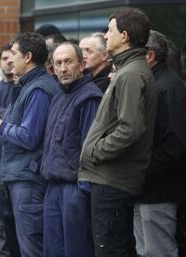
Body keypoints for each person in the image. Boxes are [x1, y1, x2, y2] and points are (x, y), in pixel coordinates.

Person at [79, 8, 157, 257]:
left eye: (109, 30)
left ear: (124, 36)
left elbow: (130, 128)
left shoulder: (131, 74)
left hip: (113, 181)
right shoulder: (128, 71)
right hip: (112, 180)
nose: (105, 35)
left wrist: (95, 152)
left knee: (110, 250)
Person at [0, 32, 59, 257]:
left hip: (29, 180)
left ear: (28, 56)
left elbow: (29, 136)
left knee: (31, 248)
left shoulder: (39, 89)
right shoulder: (27, 86)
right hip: (21, 178)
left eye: (14, 54)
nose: (10, 59)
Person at [41, 42, 102, 257]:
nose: (63, 68)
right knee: (53, 251)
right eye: (58, 63)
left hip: (75, 189)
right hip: (54, 187)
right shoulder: (58, 97)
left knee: (76, 250)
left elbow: (90, 148)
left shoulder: (89, 98)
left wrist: (84, 192)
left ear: (81, 65)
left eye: (68, 62)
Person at [133, 30, 186, 257]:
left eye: (133, 55)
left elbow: (174, 145)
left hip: (158, 192)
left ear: (150, 56)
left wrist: (143, 173)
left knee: (157, 252)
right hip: (146, 189)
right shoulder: (155, 83)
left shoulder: (167, 87)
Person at [0, 43, 20, 257]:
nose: (9, 61)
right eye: (4, 58)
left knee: (16, 219)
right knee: (0, 217)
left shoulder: (21, 89)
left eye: (12, 57)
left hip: (16, 166)